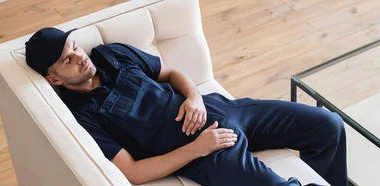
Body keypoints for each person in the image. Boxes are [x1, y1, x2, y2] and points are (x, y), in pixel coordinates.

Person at [25, 27, 347, 186]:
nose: (80, 58)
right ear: (54, 79)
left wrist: (193, 95)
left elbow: (168, 73)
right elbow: (133, 172)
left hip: (223, 109)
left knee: (329, 127)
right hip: (204, 153)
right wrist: (198, 149)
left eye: (75, 47)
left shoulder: (110, 54)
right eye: (68, 59)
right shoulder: (82, 116)